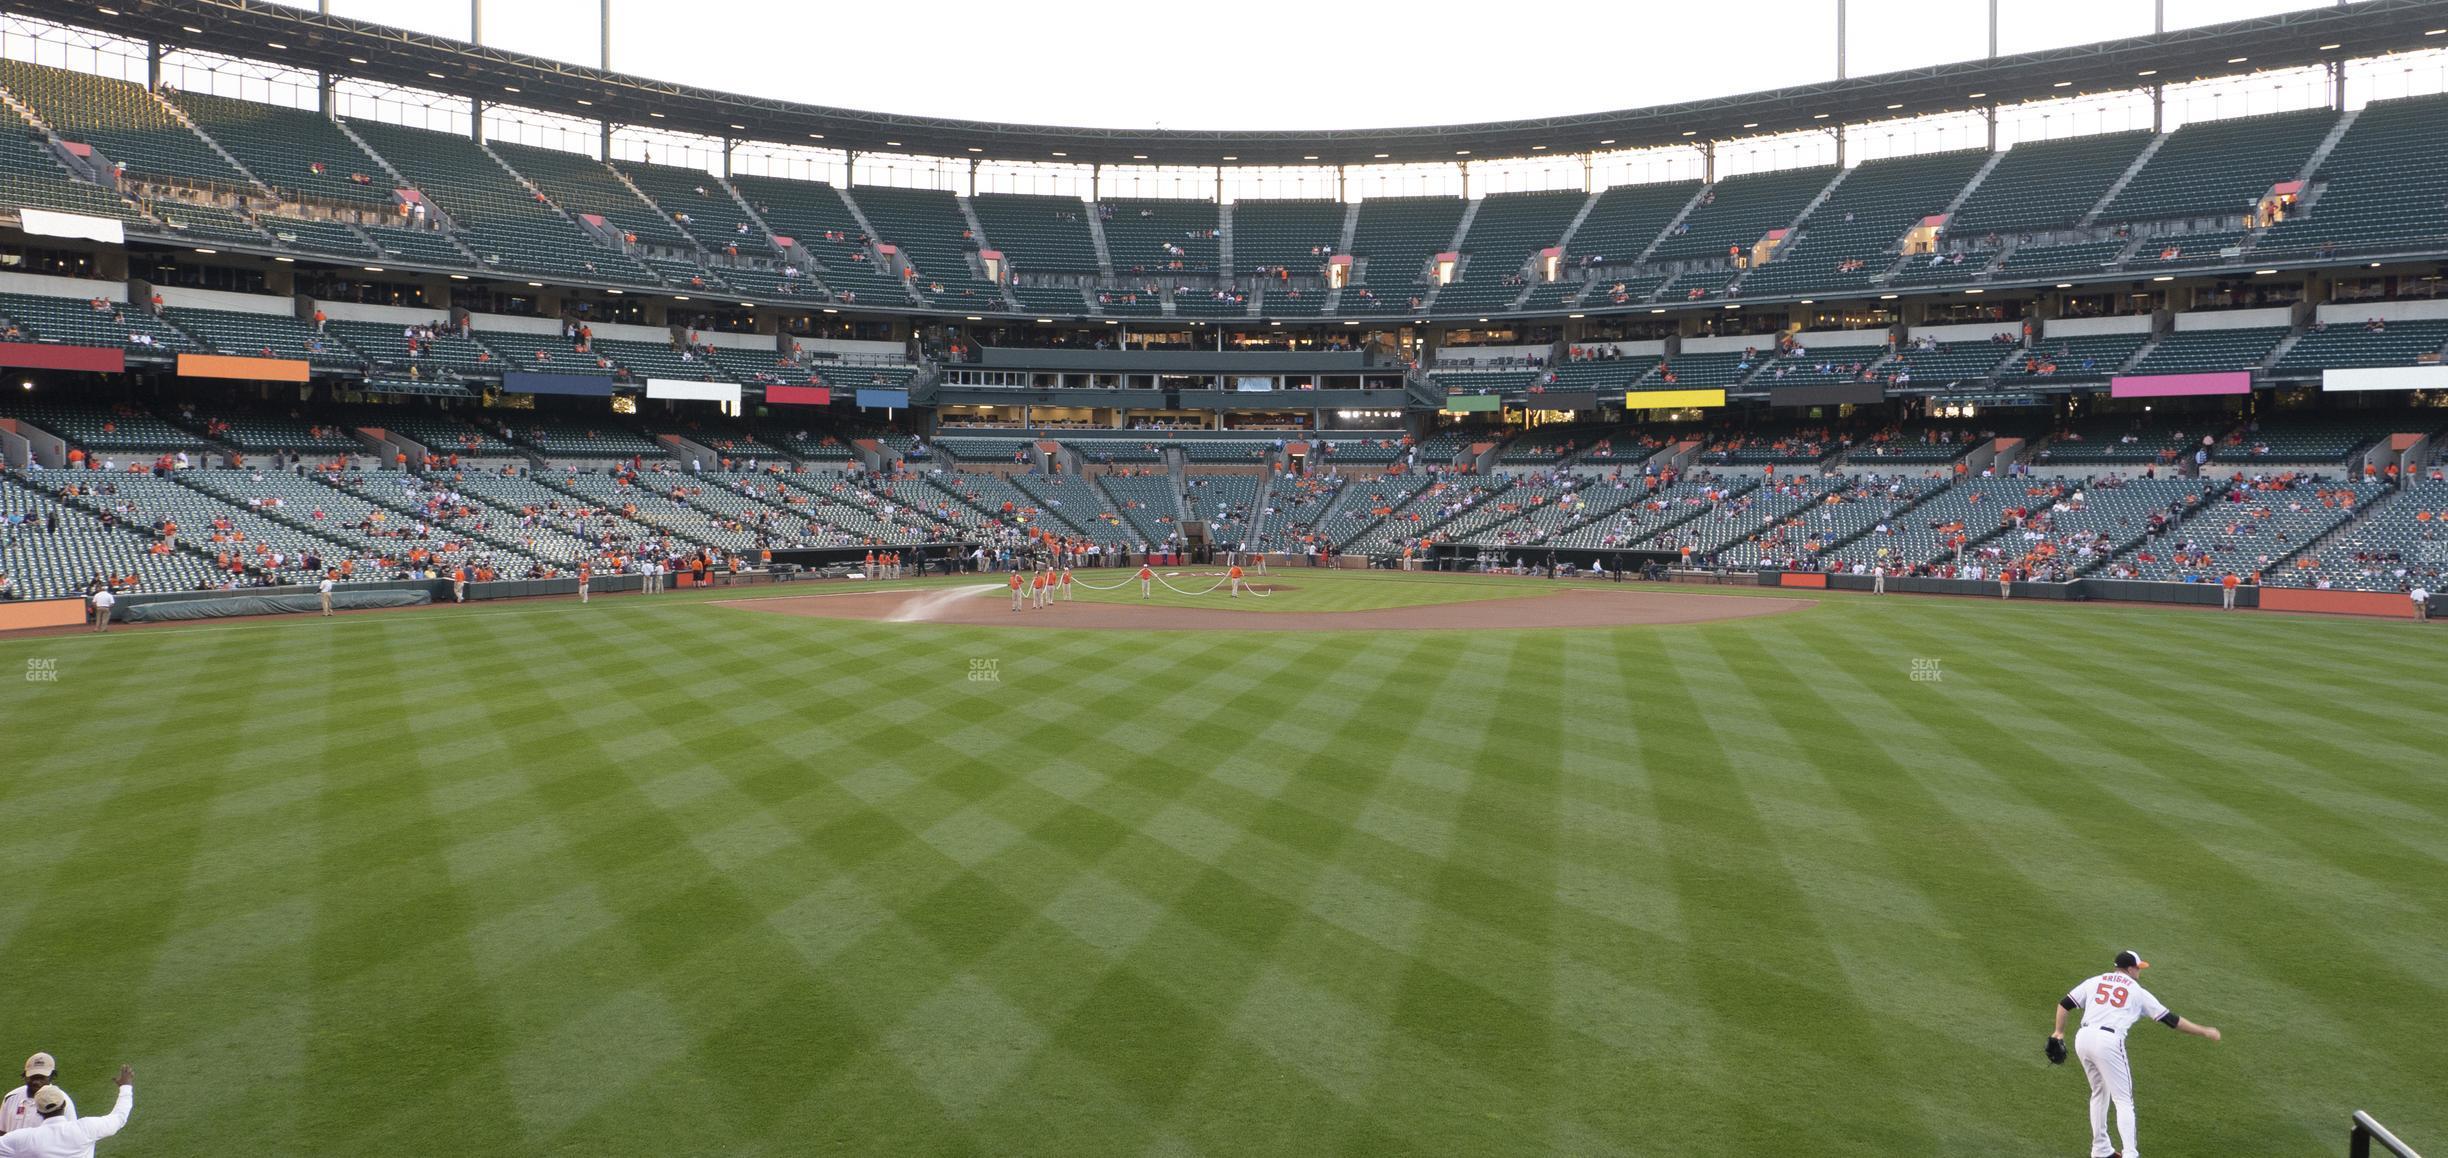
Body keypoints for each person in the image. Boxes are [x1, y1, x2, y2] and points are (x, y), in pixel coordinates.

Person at [2049, 951, 2220, 1158]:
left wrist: (2058, 1033)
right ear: (2130, 969)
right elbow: (2171, 1020)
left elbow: (2065, 1004)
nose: (2139, 971)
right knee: (2123, 1100)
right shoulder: (2137, 992)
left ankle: (2100, 1149)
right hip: (2109, 1041)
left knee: (2099, 1092)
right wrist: (2203, 1030)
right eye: (2138, 967)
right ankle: (2131, 1153)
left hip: (2083, 1038)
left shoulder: (2095, 981)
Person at [0, 1064, 131, 1157]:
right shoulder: (86, 1128)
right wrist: (126, 1086)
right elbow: (119, 1117)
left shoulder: (24, 1138)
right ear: (64, 1104)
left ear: (38, 1110)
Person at [0, 1054, 71, 1134]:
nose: (36, 1082)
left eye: (41, 1077)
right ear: (25, 1075)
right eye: (32, 1077)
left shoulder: (61, 1100)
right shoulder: (11, 1098)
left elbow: (69, 1133)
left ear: (52, 1076)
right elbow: (2, 1130)